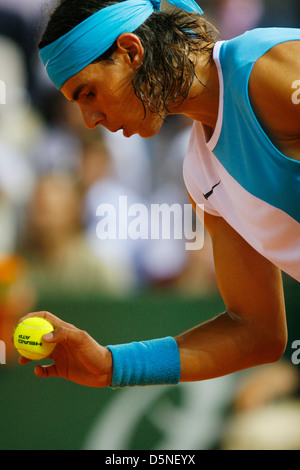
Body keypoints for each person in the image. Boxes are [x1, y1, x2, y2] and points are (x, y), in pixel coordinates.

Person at [18, 0, 299, 389]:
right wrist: (110, 365)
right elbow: (256, 331)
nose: (90, 119)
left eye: (88, 93)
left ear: (131, 52)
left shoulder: (269, 68)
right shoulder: (202, 178)